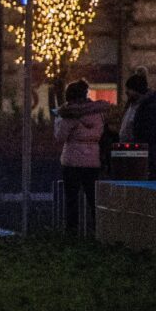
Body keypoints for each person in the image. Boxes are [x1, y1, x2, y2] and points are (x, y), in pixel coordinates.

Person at [54, 79, 109, 235]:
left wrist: (58, 119)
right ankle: (99, 232)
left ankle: (72, 232)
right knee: (93, 198)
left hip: (72, 160)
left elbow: (60, 136)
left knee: (72, 199)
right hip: (93, 159)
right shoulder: (98, 112)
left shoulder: (70, 115)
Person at [118, 67, 156, 177]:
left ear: (137, 90)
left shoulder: (149, 107)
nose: (126, 91)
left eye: (129, 89)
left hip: (140, 152)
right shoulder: (132, 105)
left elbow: (149, 131)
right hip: (130, 151)